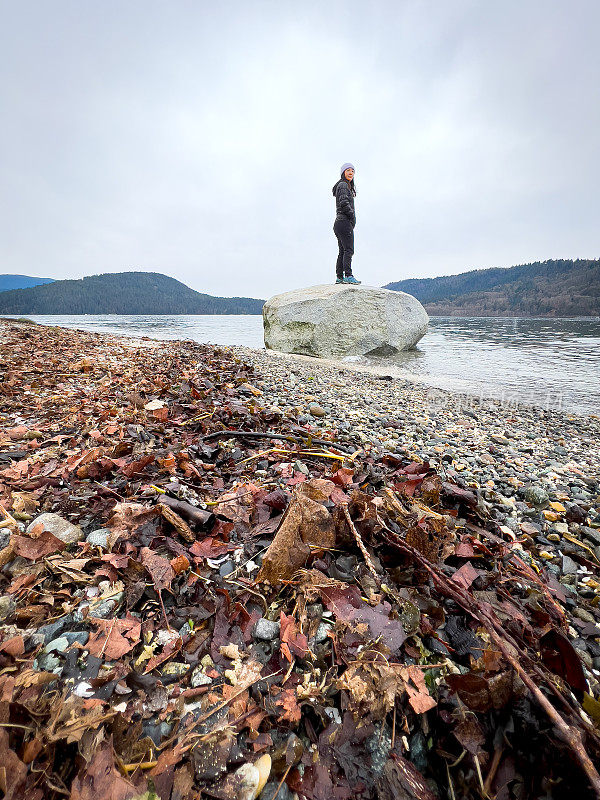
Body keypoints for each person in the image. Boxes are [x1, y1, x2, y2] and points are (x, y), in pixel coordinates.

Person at [332, 162, 361, 285]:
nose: (351, 173)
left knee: (342, 251)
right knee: (349, 250)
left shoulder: (343, 185)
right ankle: (348, 275)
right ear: (343, 172)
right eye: (348, 170)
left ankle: (340, 277)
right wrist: (352, 217)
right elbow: (344, 202)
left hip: (339, 223)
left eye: (353, 171)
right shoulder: (343, 185)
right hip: (344, 221)